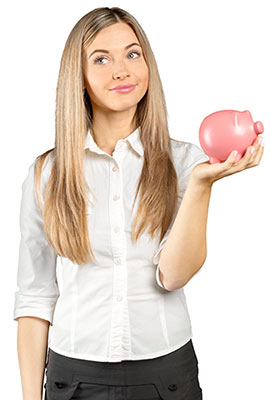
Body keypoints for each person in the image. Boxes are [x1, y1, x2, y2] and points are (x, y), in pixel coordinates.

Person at [13, 7, 264, 400]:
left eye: (132, 54)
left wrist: (200, 185)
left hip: (166, 377)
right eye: (101, 58)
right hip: (71, 379)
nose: (121, 70)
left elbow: (174, 275)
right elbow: (35, 296)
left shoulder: (186, 162)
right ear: (76, 77)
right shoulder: (47, 174)